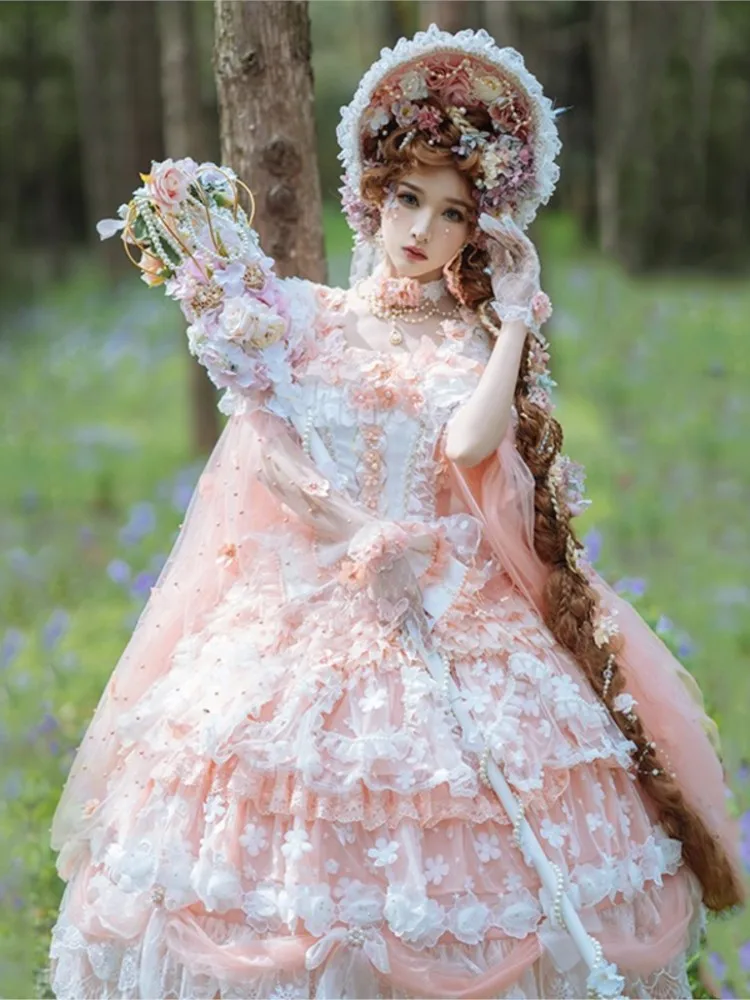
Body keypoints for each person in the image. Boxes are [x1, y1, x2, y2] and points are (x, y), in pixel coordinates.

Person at [48, 24, 744, 1000]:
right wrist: (351, 530)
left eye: (452, 214)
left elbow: (466, 447)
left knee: (478, 838)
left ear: (480, 232)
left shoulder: (470, 344)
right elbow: (275, 451)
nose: (420, 229)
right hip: (314, 599)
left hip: (456, 605)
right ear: (373, 196)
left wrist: (513, 319)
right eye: (408, 199)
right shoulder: (300, 318)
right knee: (291, 832)